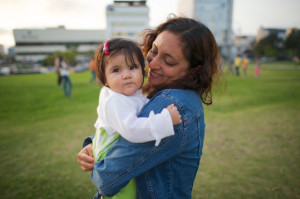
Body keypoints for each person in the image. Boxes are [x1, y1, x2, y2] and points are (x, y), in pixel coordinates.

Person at [77, 16, 221, 198]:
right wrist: (94, 145)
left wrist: (99, 160)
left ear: (194, 70)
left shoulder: (172, 105)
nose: (152, 63)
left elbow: (106, 178)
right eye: (154, 50)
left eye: (168, 61)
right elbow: (129, 126)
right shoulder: (160, 93)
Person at [92, 38, 182, 198]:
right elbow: (133, 130)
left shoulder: (130, 94)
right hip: (111, 157)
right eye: (116, 70)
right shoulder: (114, 100)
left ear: (142, 70)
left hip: (117, 152)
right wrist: (165, 121)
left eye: (132, 67)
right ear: (105, 79)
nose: (126, 75)